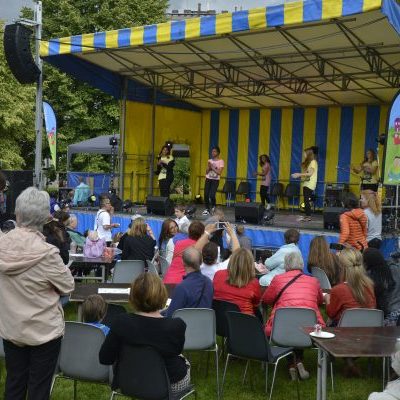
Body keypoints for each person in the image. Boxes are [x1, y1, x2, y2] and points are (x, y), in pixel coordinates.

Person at [0, 187, 75, 400]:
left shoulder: (2, 244)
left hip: (12, 326)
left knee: (14, 383)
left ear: (17, 214)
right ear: (45, 217)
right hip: (43, 330)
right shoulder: (47, 255)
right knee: (38, 389)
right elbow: (68, 285)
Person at [99, 273, 190, 394]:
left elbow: (105, 358)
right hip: (168, 384)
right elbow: (175, 351)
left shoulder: (121, 322)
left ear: (133, 296)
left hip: (128, 381)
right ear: (162, 294)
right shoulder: (176, 326)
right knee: (184, 360)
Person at [262, 252, 325, 381]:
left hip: (281, 328)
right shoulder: (314, 281)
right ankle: (299, 361)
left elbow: (267, 299)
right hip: (310, 329)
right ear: (301, 265)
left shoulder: (278, 279)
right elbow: (319, 301)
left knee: (288, 325)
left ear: (286, 265)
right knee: (300, 324)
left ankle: (291, 363)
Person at [325, 248, 376, 326]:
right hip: (367, 333)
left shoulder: (338, 290)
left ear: (341, 268)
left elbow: (330, 313)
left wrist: (327, 299)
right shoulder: (370, 285)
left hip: (344, 333)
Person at [166, 247, 213, 317]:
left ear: (183, 262)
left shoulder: (182, 287)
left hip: (185, 326)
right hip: (204, 326)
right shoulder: (209, 283)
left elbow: (171, 315)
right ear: (201, 261)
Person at [213, 248, 261, 315]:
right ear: (250, 264)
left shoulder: (218, 274)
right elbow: (256, 304)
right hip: (243, 321)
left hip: (219, 320)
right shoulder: (254, 282)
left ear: (232, 260)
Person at [363, 248, 400, 325]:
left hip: (382, 315)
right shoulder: (395, 268)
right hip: (397, 311)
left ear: (366, 263)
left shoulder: (368, 276)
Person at [291, 146, 318, 222]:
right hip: (307, 183)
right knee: (306, 200)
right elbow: (308, 174)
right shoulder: (311, 162)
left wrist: (299, 174)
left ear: (309, 154)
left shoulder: (313, 162)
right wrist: (300, 176)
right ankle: (307, 216)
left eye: (305, 153)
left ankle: (308, 216)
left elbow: (310, 174)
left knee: (306, 200)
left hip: (310, 184)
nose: (304, 155)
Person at [203, 146, 224, 216]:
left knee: (212, 195)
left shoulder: (221, 161)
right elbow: (206, 172)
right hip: (208, 178)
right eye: (212, 151)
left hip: (215, 180)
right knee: (206, 194)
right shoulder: (209, 160)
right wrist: (209, 167)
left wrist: (212, 167)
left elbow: (219, 172)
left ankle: (214, 206)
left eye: (214, 151)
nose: (213, 153)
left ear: (218, 153)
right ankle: (207, 209)